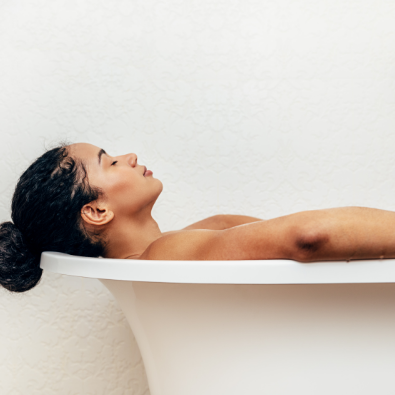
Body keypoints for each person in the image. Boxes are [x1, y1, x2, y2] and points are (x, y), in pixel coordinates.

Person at [1, 142, 395, 293]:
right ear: (97, 211)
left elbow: (227, 227)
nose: (131, 155)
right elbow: (310, 235)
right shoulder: (163, 257)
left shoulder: (173, 251)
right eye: (111, 161)